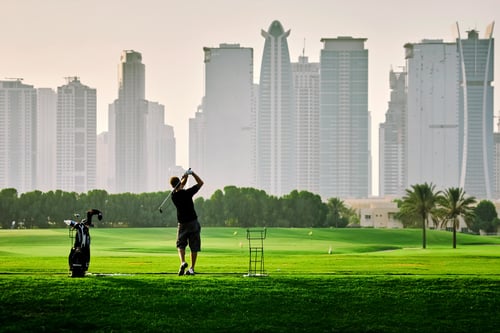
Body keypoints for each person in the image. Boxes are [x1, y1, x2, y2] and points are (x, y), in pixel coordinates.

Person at [170, 169, 204, 276]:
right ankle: (192, 269)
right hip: (193, 222)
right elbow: (200, 183)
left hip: (182, 224)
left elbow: (180, 186)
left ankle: (183, 262)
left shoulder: (173, 196)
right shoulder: (188, 193)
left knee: (181, 245)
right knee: (194, 246)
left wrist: (185, 177)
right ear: (180, 184)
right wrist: (192, 174)